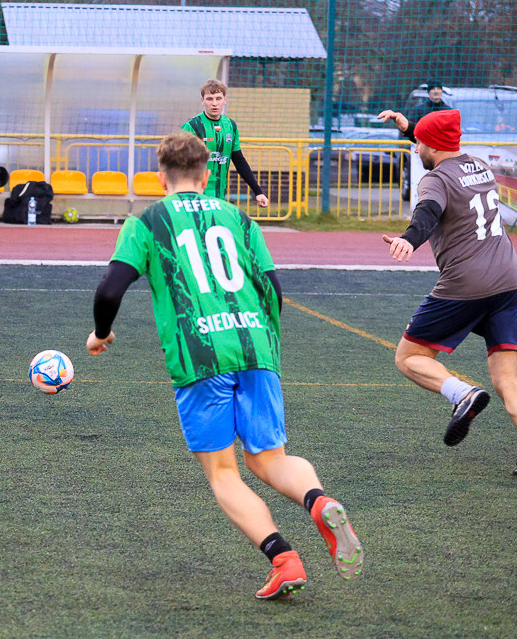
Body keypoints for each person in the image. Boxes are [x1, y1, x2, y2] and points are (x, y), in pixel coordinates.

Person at [86, 131, 362, 598]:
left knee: (224, 473)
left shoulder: (147, 221)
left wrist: (100, 333)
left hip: (201, 355)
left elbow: (110, 288)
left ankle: (285, 560)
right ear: (205, 175)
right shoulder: (239, 218)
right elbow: (273, 289)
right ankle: (319, 502)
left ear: (160, 177)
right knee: (270, 459)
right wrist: (262, 346)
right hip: (256, 347)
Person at [378, 108, 517, 472]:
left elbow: (427, 212)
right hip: (509, 280)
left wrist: (409, 239)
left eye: (419, 143)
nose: (416, 148)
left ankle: (463, 393)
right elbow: (438, 146)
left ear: (434, 146)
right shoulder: (479, 165)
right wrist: (410, 128)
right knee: (508, 381)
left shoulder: (435, 180)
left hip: (467, 284)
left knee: (408, 357)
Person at [181, 79, 269, 208]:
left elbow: (239, 160)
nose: (214, 103)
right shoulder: (192, 127)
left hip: (220, 197)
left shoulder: (230, 126)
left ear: (225, 100)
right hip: (194, 197)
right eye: (210, 99)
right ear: (202, 101)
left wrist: (258, 192)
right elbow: (179, 164)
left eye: (218, 98)